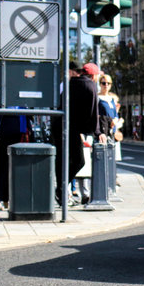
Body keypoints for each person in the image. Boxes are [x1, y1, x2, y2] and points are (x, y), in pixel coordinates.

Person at [51, 62, 107, 204]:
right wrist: (97, 131)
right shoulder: (90, 86)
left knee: (62, 160)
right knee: (79, 161)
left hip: (59, 126)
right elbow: (94, 111)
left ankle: (61, 190)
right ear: (93, 75)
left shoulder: (70, 84)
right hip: (71, 128)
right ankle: (61, 188)